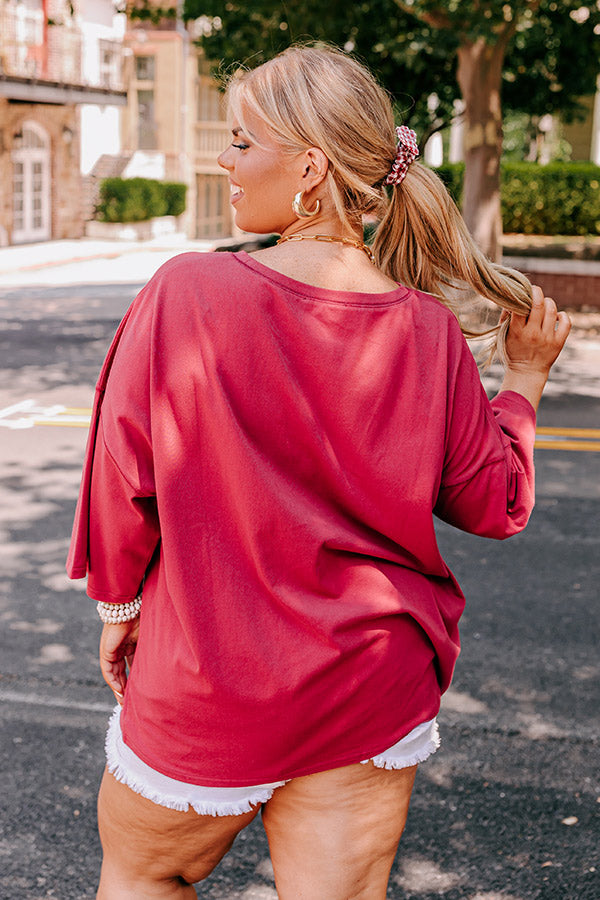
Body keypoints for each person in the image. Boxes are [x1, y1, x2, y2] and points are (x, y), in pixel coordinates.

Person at [67, 44, 571, 900]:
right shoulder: (427, 331)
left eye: (238, 140)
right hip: (370, 684)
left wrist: (118, 609)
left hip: (210, 681)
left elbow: (123, 475)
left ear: (308, 166)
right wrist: (523, 381)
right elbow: (495, 503)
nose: (224, 162)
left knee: (147, 877)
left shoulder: (188, 292)